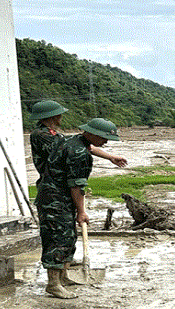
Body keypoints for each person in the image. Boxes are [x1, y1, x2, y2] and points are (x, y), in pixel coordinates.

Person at [35, 118, 120, 298]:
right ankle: (53, 284)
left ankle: (63, 277)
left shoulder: (72, 140)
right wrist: (81, 212)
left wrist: (111, 157)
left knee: (67, 236)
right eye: (104, 138)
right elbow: (77, 186)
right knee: (58, 239)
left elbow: (91, 148)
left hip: (53, 195)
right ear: (92, 134)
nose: (106, 142)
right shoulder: (79, 153)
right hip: (56, 200)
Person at [29, 99, 127, 183]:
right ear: (54, 116)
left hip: (58, 185)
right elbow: (70, 147)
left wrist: (111, 157)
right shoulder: (41, 135)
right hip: (52, 188)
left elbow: (83, 146)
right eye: (60, 114)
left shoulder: (51, 133)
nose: (61, 117)